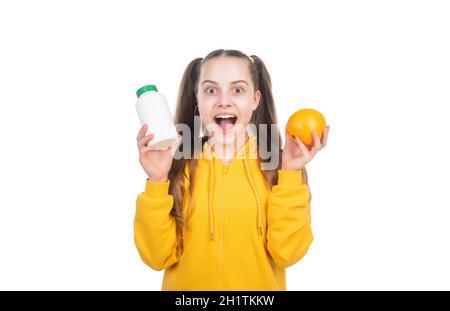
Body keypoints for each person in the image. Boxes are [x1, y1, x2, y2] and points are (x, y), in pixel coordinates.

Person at [134, 49, 330, 290]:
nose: (224, 100)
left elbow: (287, 254)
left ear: (255, 99)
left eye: (237, 90)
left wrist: (290, 174)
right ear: (197, 99)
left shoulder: (278, 171)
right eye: (210, 90)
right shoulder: (177, 169)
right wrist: (157, 180)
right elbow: (157, 257)